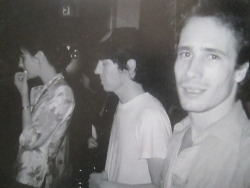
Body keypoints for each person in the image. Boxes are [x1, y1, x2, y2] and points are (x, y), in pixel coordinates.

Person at [163, 1, 250, 187]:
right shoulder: (180, 130)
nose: (191, 71)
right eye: (185, 54)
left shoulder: (244, 157)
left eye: (212, 56)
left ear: (240, 70)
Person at [89, 28, 172, 188]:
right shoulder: (122, 105)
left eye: (104, 63)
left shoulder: (151, 115)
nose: (96, 70)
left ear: (130, 66)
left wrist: (107, 186)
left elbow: (162, 185)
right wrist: (108, 177)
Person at [13, 30, 75, 188]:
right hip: (28, 178)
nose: (20, 64)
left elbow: (29, 140)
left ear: (39, 56)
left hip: (41, 181)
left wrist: (24, 97)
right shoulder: (41, 90)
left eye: (23, 57)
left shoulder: (62, 93)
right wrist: (25, 94)